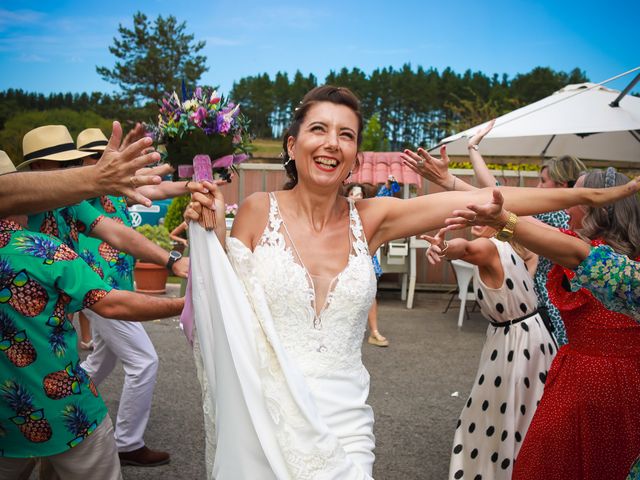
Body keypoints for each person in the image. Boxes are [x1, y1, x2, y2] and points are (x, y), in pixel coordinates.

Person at [185, 85, 640, 478]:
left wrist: (587, 194)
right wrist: (210, 237)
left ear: (355, 159)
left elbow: (490, 199)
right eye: (318, 129)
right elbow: (227, 302)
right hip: (263, 410)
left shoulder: (374, 218)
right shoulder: (255, 211)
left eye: (346, 135)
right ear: (291, 145)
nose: (332, 143)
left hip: (344, 418)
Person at [444, 169, 640, 480]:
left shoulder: (592, 256)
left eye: (577, 197)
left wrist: (460, 189)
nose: (567, 206)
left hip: (589, 382)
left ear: (596, 206)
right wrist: (452, 184)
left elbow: (519, 222)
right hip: (609, 380)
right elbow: (517, 218)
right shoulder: (595, 249)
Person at [0, 158, 184, 480]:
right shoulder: (41, 249)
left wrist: (171, 260)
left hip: (9, 420)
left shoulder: (70, 206)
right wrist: (184, 304)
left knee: (101, 359)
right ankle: (129, 442)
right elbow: (111, 305)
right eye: (62, 164)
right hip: (65, 416)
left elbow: (118, 232)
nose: (68, 171)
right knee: (143, 361)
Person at [402, 133, 586, 346]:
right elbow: (498, 213)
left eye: (543, 182)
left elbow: (494, 196)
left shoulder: (556, 217)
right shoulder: (536, 231)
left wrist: (454, 175)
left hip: (548, 321)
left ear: (563, 186)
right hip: (541, 319)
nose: (537, 188)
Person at [425, 223, 553, 480]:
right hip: (531, 337)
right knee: (525, 414)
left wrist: (446, 248)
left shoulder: (490, 246)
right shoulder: (517, 249)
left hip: (514, 344)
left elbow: (467, 249)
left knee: (494, 417)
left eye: (484, 217)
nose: (476, 222)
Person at [0, 121, 167, 217]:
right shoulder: (22, 219)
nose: (73, 167)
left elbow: (119, 235)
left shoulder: (76, 200)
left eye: (75, 161)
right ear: (36, 165)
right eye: (64, 164)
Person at [344, 182, 388, 347]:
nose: (356, 196)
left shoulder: (368, 212)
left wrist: (388, 186)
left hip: (363, 257)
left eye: (359, 194)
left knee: (369, 294)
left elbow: (382, 199)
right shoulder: (337, 212)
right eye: (352, 193)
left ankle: (374, 331)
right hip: (341, 259)